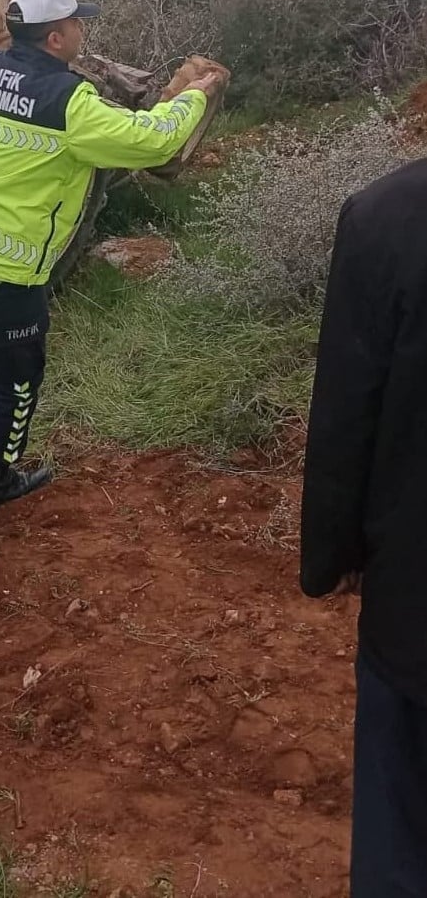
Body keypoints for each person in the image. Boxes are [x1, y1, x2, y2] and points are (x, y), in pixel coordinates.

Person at [0, 0, 220, 514]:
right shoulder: (70, 101)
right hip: (2, 271)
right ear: (55, 38)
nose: (81, 27)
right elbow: (153, 140)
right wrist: (192, 97)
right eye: (75, 20)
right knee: (16, 376)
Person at [301, 160, 427, 895]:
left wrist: (333, 552)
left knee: (396, 831)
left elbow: (347, 410)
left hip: (413, 602)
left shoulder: (387, 217)